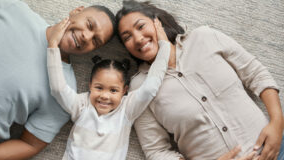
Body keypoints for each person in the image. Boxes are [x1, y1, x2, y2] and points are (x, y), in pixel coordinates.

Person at [116, 0, 284, 160]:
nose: (138, 38)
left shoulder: (204, 37)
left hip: (276, 150)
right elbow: (156, 151)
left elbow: (256, 73)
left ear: (157, 22)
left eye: (141, 26)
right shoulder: (139, 88)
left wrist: (277, 123)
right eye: (127, 37)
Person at [0, 0, 115, 159]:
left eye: (95, 41)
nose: (86, 36)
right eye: (89, 25)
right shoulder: (14, 10)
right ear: (77, 11)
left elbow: (29, 145)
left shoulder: (64, 90)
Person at [46, 16, 169, 160]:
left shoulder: (127, 109)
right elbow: (58, 89)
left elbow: (149, 88)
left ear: (124, 90)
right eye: (99, 88)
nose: (105, 96)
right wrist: (53, 45)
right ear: (90, 85)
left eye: (113, 90)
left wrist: (164, 45)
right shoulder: (81, 105)